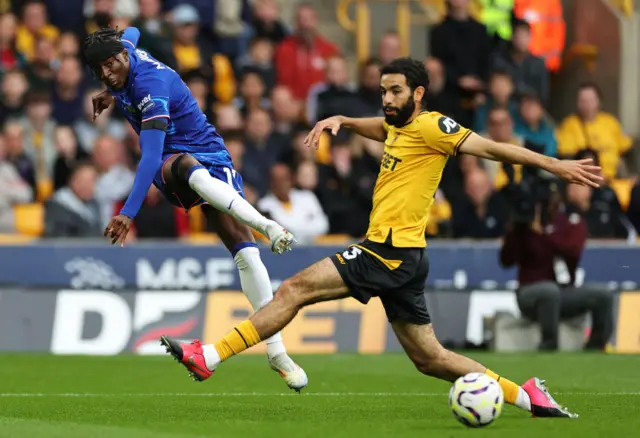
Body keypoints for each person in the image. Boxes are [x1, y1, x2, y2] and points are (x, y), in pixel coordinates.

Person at [161, 58, 602, 417]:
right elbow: (380, 127)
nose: (387, 99)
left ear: (418, 94)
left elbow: (491, 148)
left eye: (395, 92)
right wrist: (343, 120)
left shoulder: (434, 127)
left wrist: (556, 165)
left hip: (387, 251)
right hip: (404, 257)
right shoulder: (396, 124)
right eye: (383, 91)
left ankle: (211, 356)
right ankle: (526, 396)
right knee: (431, 359)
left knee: (293, 289)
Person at [82, 27, 307, 391]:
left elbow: (148, 153)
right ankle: (270, 225)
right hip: (174, 162)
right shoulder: (123, 51)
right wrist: (111, 92)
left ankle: (277, 353)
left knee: (247, 256)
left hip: (209, 151)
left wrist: (129, 211)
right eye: (99, 70)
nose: (107, 74)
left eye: (111, 66)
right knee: (185, 166)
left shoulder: (149, 87)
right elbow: (133, 31)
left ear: (124, 58)